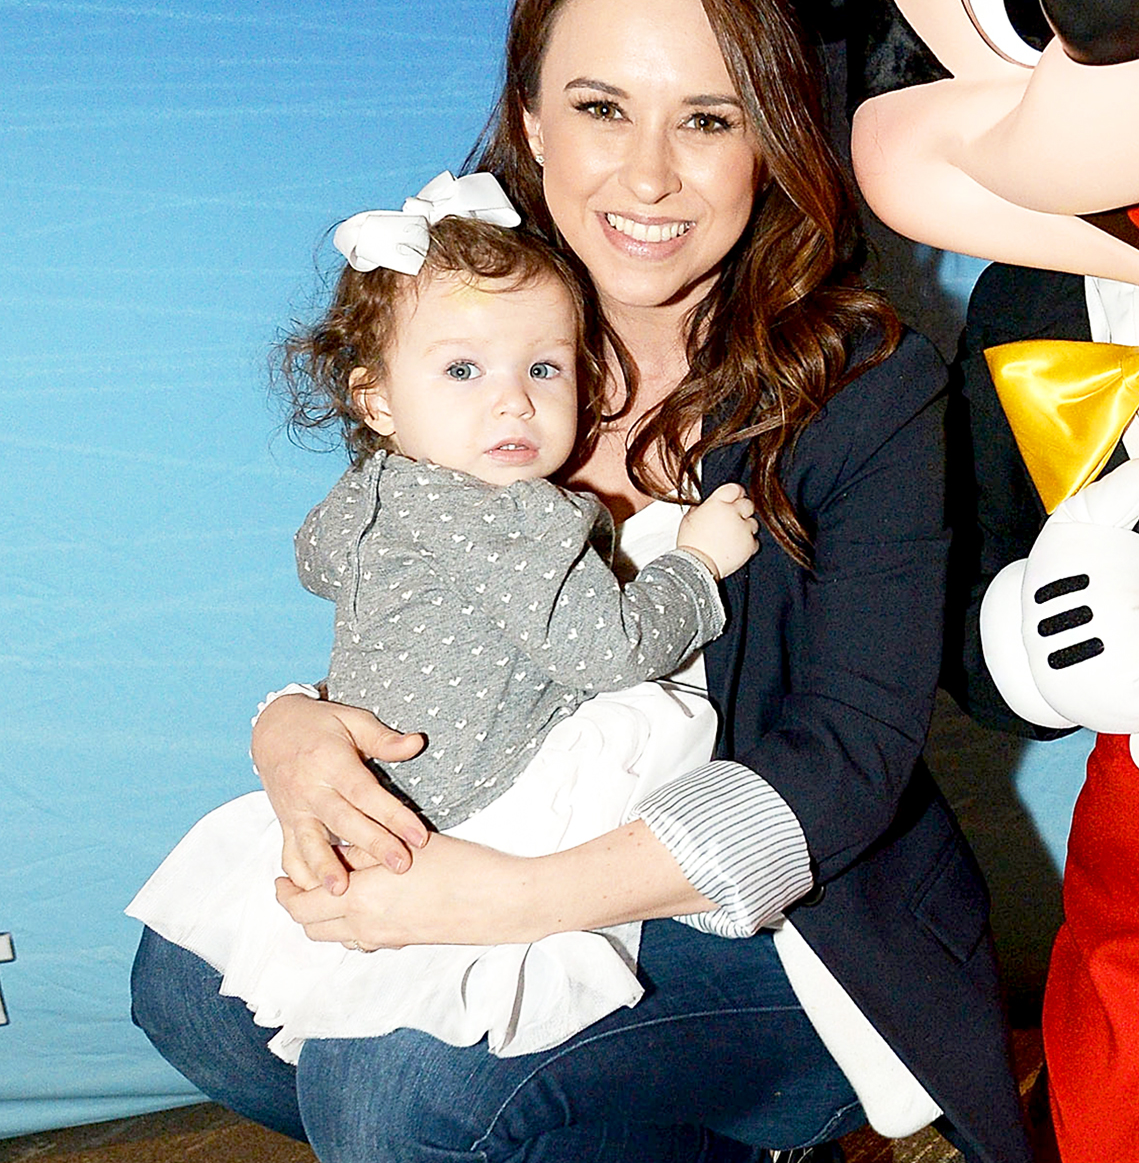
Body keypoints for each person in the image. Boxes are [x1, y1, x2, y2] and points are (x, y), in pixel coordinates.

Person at [132, 0, 1063, 1163]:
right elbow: (403, 608)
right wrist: (293, 734)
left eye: (708, 118)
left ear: (775, 140)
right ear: (527, 125)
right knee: (194, 986)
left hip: (772, 917)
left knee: (398, 1109)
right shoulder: (475, 333)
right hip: (511, 839)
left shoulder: (872, 383)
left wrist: (489, 899)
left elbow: (844, 767)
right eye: (601, 108)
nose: (648, 176)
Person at [129, 177, 759, 1063]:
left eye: (543, 368)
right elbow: (610, 648)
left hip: (393, 799)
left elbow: (318, 561)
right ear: (377, 401)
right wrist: (696, 563)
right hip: (481, 804)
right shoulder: (517, 514)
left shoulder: (369, 494)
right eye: (462, 370)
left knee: (311, 1026)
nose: (512, 401)